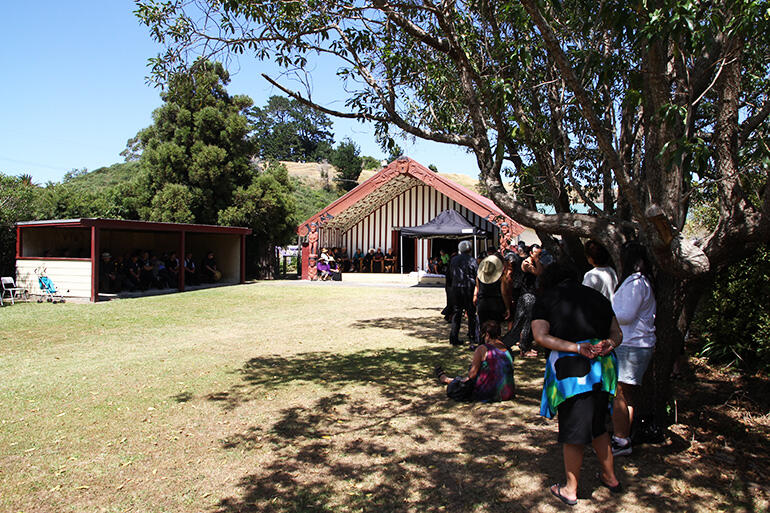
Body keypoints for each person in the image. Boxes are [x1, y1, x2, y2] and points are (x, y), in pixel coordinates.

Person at [531, 263, 623, 506]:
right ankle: (610, 477)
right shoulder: (597, 297)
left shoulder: (547, 299)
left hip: (572, 374)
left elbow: (540, 336)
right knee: (599, 425)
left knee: (573, 431)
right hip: (602, 370)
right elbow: (617, 333)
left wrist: (575, 347)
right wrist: (609, 344)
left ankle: (570, 489)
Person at [611, 242, 656, 457]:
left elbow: (626, 315)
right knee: (625, 394)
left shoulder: (636, 283)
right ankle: (622, 436)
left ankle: (621, 438)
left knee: (619, 393)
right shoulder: (636, 282)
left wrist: (606, 312)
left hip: (631, 345)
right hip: (632, 344)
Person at [435, 320, 515, 402]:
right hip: (507, 392)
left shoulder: (483, 349)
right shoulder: (505, 347)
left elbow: (472, 375)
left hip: (489, 393)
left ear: (487, 335)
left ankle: (446, 379)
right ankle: (447, 379)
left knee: (460, 383)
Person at [448, 240, 478, 346]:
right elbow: (476, 275)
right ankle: (472, 336)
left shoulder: (454, 260)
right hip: (469, 288)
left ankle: (453, 337)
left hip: (456, 287)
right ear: (469, 249)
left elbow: (451, 274)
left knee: (457, 313)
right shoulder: (472, 260)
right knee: (471, 313)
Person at [474, 254, 508, 327]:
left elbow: (477, 289)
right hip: (496, 304)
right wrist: (507, 307)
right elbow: (504, 293)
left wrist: (475, 300)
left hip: (482, 303)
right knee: (495, 328)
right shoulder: (501, 277)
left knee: (483, 328)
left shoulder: (479, 276)